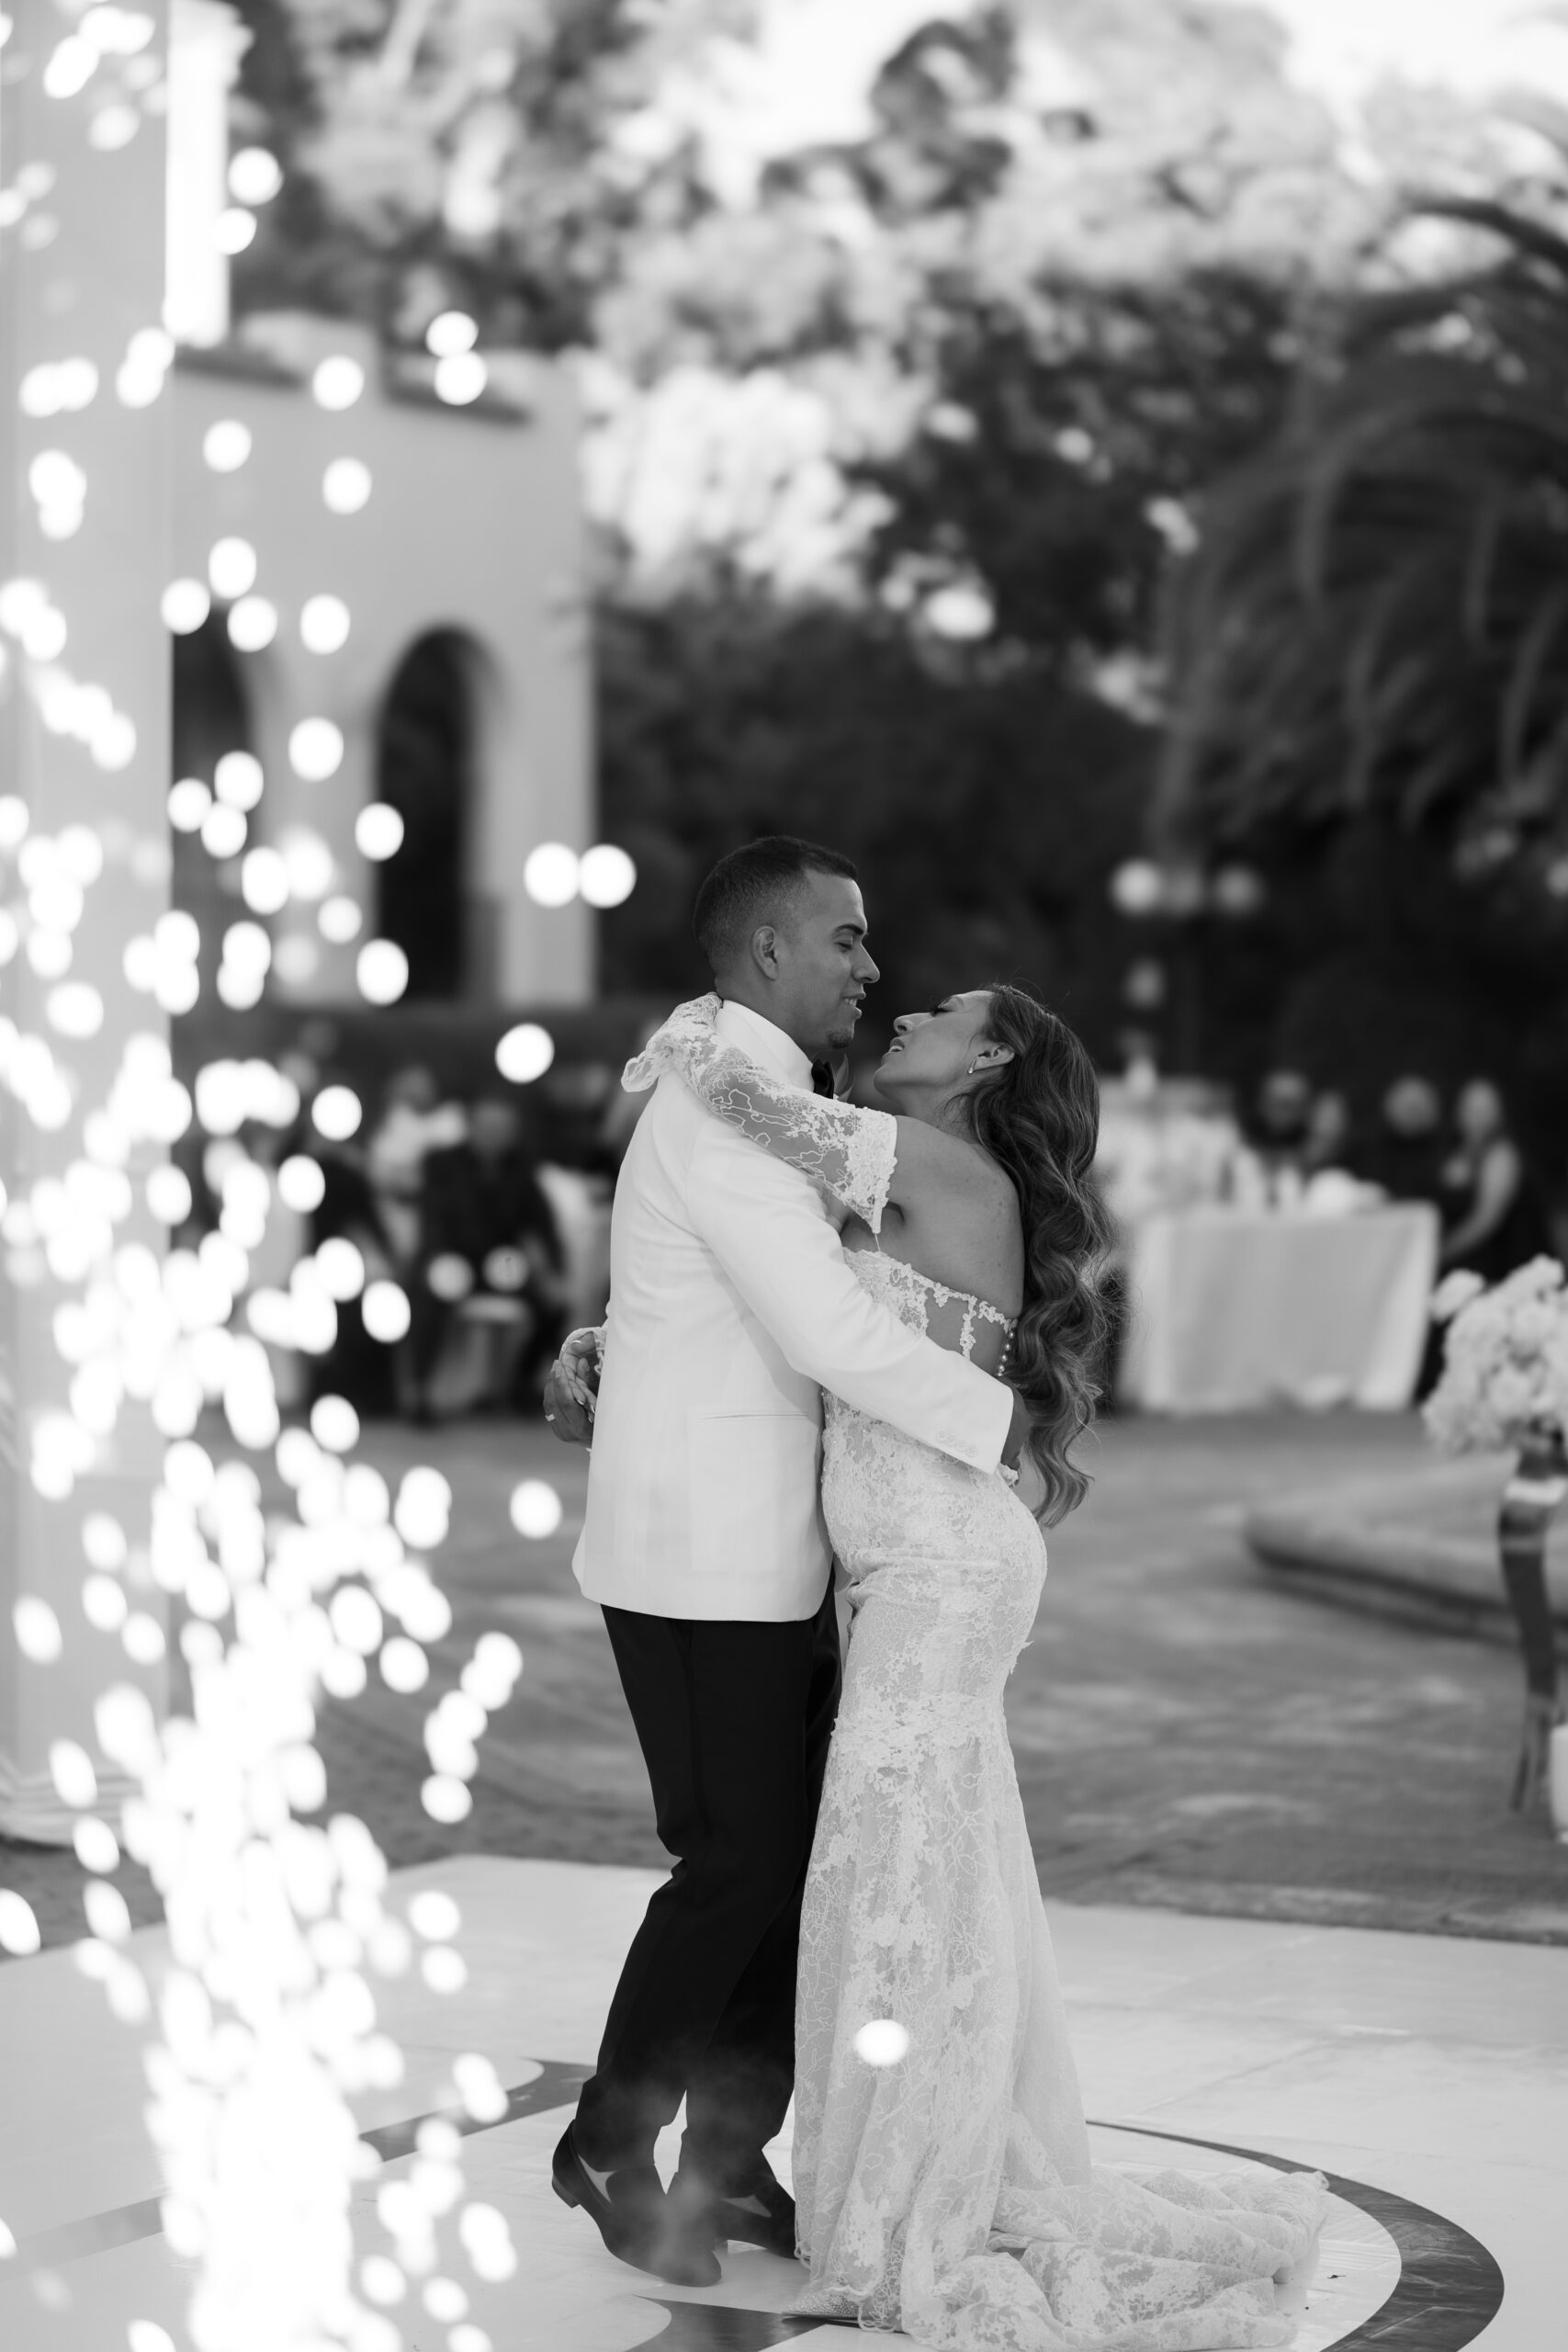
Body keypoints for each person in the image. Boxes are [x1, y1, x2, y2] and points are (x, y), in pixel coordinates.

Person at [543, 837, 1021, 2289]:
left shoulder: (751, 1090)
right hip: (703, 1551)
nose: (870, 971)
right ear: (765, 954)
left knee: (779, 1860)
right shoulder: (725, 1104)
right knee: (735, 1860)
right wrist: (996, 1413)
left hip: (762, 1542)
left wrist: (603, 1351)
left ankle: (731, 2155)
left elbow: (696, 1306)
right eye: (846, 941)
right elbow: (819, 1331)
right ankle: (608, 2140)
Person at [1438, 1077, 1552, 1282]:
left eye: (1484, 1109)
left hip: (1502, 1266)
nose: (1477, 1116)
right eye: (1471, 1108)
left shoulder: (1502, 1153)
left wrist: (1442, 1251)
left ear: (1499, 1113)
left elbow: (1487, 1219)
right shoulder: (1455, 1152)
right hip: (1467, 1267)